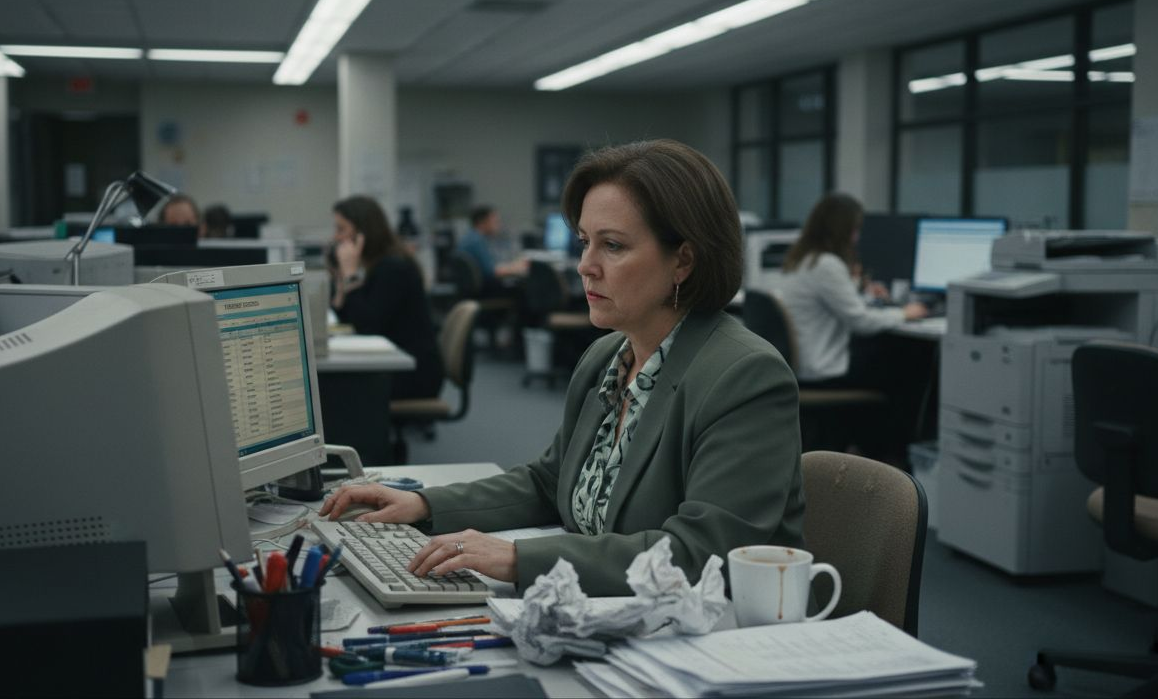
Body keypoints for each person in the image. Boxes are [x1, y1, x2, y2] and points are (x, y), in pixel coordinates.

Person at [320, 140, 804, 596]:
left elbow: (702, 554)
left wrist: (519, 559)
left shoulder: (744, 376)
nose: (584, 265)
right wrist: (426, 505)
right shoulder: (606, 358)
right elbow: (549, 484)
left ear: (683, 261)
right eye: (584, 242)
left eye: (612, 246)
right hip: (609, 615)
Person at [774, 193, 928, 461]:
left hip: (805, 364)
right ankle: (898, 457)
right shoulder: (827, 265)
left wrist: (857, 289)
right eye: (855, 230)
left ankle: (868, 446)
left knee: (896, 359)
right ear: (841, 230)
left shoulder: (804, 259)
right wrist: (905, 312)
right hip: (824, 369)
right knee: (911, 365)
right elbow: (861, 321)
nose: (857, 237)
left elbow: (836, 305)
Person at [330, 195, 445, 401]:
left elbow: (366, 327)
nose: (336, 237)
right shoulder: (377, 265)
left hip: (414, 374)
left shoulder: (394, 268)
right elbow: (347, 321)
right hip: (395, 364)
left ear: (363, 233)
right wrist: (341, 284)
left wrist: (350, 276)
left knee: (332, 391)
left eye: (342, 229)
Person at [457, 205, 530, 293]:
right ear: (482, 222)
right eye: (495, 221)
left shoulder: (470, 237)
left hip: (474, 289)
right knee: (524, 290)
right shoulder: (476, 241)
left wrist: (512, 266)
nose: (498, 225)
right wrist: (517, 269)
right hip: (484, 291)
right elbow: (492, 272)